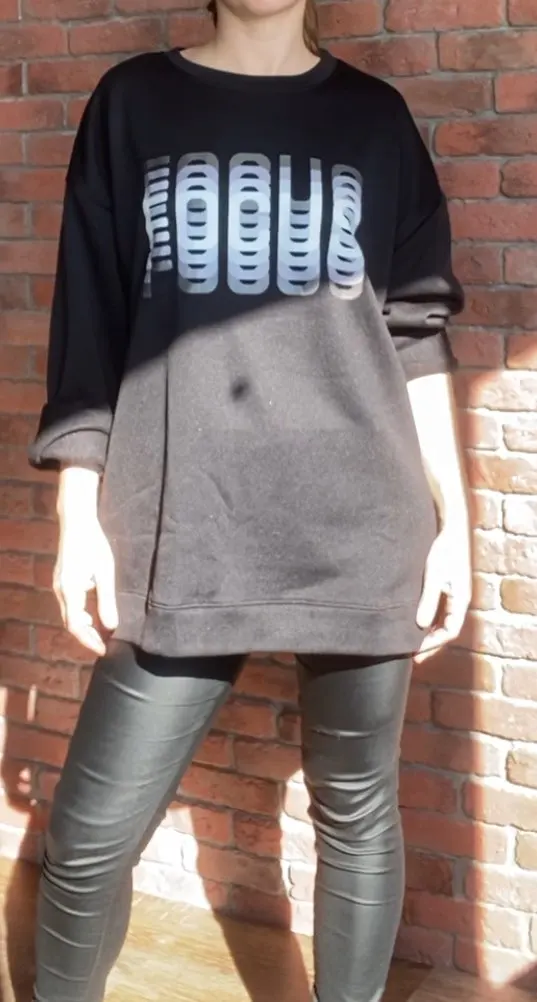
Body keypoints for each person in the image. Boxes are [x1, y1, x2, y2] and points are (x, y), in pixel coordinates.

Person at [28, 0, 472, 998]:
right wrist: (77, 518)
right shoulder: (133, 103)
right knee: (87, 841)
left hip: (363, 522)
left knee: (356, 812)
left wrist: (455, 529)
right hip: (183, 514)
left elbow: (415, 335)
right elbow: (88, 325)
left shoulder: (375, 117)